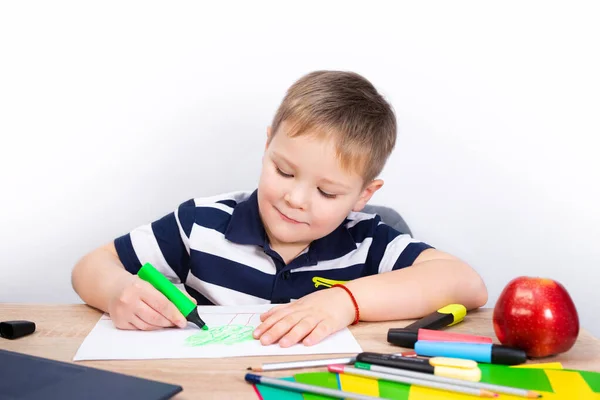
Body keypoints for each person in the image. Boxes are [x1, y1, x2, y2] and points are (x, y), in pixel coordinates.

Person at [72, 70, 488, 347]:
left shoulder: (368, 241)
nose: (296, 198)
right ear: (268, 144)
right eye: (284, 171)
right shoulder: (201, 224)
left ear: (363, 195)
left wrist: (344, 302)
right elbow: (91, 266)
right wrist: (116, 293)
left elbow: (467, 284)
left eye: (327, 192)